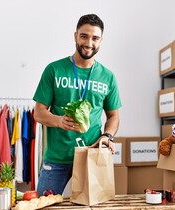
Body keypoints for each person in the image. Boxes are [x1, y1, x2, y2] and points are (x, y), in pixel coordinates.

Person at [33, 14, 122, 196]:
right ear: (75, 36)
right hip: (57, 158)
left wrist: (107, 136)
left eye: (95, 38)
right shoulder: (54, 69)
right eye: (84, 36)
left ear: (101, 41)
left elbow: (114, 116)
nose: (89, 43)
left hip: (92, 156)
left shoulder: (108, 76)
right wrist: (59, 121)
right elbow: (38, 113)